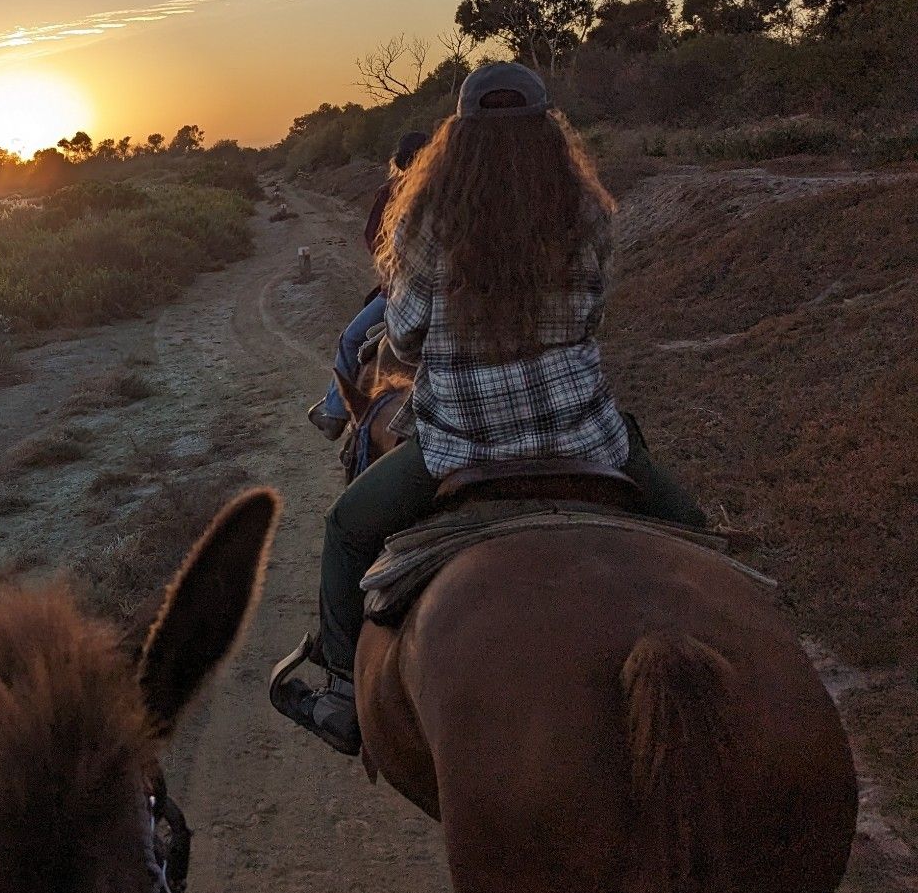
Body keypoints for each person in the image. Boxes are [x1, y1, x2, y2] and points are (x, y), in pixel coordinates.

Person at [273, 62, 706, 755]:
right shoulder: (588, 211)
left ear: (460, 136)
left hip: (461, 445)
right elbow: (593, 314)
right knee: (692, 529)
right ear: (547, 133)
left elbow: (407, 335)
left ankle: (338, 693)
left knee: (348, 525)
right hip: (586, 438)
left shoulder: (428, 217)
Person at [306, 130, 431, 441]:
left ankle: (335, 412)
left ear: (399, 162)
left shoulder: (392, 193)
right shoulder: (452, 194)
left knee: (350, 340)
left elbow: (373, 239)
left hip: (401, 294)